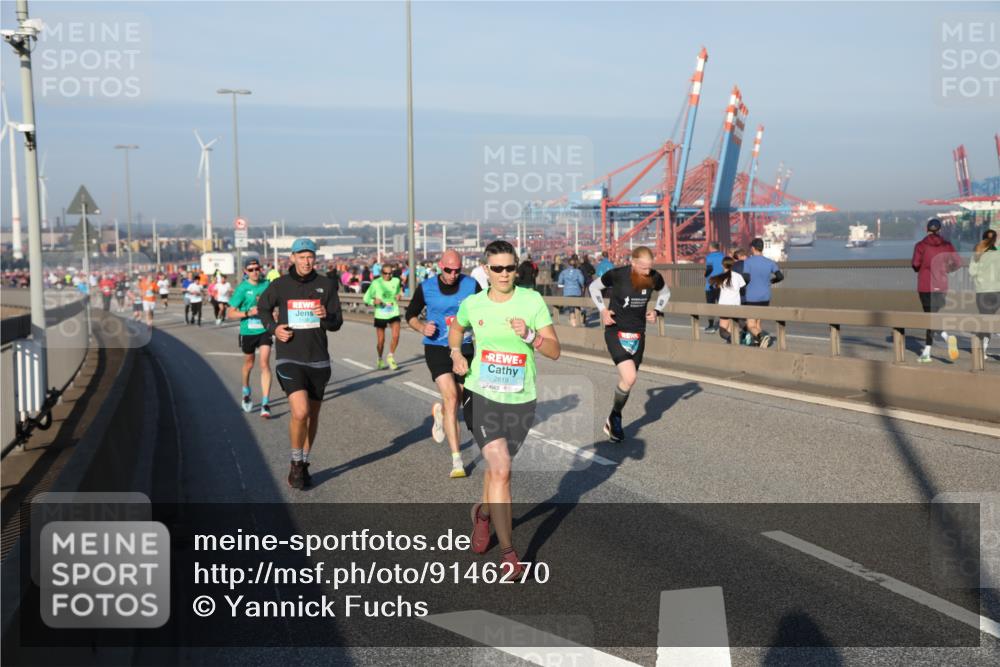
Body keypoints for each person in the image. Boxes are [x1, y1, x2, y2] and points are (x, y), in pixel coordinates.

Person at [451, 240, 560, 578]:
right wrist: (456, 353)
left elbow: (555, 351)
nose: (503, 274)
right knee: (500, 470)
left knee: (498, 470)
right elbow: (456, 329)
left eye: (509, 268)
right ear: (486, 270)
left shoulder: (532, 301)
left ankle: (483, 513)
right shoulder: (473, 304)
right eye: (496, 268)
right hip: (481, 395)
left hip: (520, 399)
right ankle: (510, 555)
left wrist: (531, 336)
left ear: (517, 268)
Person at [257, 238, 344, 490]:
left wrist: (326, 317)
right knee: (301, 412)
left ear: (315, 258)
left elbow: (337, 322)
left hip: (318, 360)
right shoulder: (280, 285)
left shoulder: (326, 285)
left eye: (310, 257)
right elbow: (263, 309)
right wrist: (274, 329)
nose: (306, 261)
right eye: (301, 256)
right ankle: (295, 462)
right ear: (292, 258)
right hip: (289, 357)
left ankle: (304, 462)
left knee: (313, 415)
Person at [405, 249, 480, 478]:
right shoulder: (426, 288)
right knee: (451, 397)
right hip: (436, 347)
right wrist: (421, 327)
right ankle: (457, 460)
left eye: (457, 270)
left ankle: (440, 414)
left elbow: (485, 310)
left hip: (465, 347)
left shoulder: (471, 285)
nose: (453, 274)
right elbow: (410, 315)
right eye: (448, 270)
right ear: (440, 266)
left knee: (458, 398)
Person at [589, 246, 671, 442]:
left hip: (638, 334)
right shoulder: (617, 274)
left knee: (627, 382)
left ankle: (614, 416)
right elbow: (594, 287)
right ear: (633, 262)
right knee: (630, 377)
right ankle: (616, 418)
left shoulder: (654, 277)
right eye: (643, 268)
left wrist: (657, 311)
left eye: (649, 267)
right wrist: (602, 310)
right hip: (615, 330)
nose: (647, 272)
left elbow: (665, 293)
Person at [228, 259, 274, 417]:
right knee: (249, 364)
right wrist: (248, 313)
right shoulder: (242, 289)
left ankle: (265, 403)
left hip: (264, 330)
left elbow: (275, 303)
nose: (255, 272)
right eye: (251, 269)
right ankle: (246, 389)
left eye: (257, 268)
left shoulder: (267, 285)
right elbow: (231, 313)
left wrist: (275, 313)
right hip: (247, 332)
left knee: (264, 363)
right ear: (245, 272)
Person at [913, 218, 963, 363]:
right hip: (941, 286)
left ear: (927, 230)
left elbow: (916, 264)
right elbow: (958, 263)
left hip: (925, 285)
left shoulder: (920, 246)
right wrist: (947, 269)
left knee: (930, 318)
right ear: (940, 230)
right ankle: (940, 342)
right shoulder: (947, 245)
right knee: (934, 317)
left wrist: (921, 267)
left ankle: (931, 350)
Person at [742, 238, 784, 348]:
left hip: (752, 297)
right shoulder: (770, 262)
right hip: (765, 297)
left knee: (750, 324)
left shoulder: (748, 262)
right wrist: (771, 281)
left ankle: (762, 336)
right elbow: (780, 276)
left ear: (753, 248)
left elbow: (746, 278)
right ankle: (758, 342)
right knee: (757, 323)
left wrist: (742, 286)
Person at [363, 263, 403, 370]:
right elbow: (366, 298)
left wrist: (399, 295)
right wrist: (373, 301)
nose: (388, 276)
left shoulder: (396, 281)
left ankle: (390, 356)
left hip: (393, 312)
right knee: (381, 341)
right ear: (381, 273)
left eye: (390, 273)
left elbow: (399, 291)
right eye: (385, 273)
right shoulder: (376, 283)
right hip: (381, 313)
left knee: (396, 336)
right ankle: (380, 358)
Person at [968, 228, 999, 362]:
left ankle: (983, 351)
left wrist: (979, 278)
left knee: (985, 320)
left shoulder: (977, 254)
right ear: (995, 240)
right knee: (992, 321)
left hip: (982, 292)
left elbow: (971, 272)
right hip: (998, 291)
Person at [710, 256, 746, 344]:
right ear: (732, 265)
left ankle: (738, 338)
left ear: (723, 265)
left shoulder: (720, 277)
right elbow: (743, 290)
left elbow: (712, 286)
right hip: (736, 306)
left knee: (722, 332)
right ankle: (733, 342)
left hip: (724, 306)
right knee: (731, 328)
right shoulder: (738, 276)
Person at [703, 242, 725, 333]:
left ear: (711, 248)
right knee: (722, 305)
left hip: (710, 286)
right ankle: (724, 325)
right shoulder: (724, 256)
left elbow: (709, 269)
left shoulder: (709, 257)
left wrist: (705, 275)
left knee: (710, 306)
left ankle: (711, 326)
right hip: (721, 285)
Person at [557, 256, 586, 327]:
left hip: (567, 292)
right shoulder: (578, 271)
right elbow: (582, 281)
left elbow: (560, 282)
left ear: (568, 264)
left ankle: (573, 323)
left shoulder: (563, 272)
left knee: (571, 308)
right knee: (577, 306)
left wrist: (564, 285)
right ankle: (580, 317)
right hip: (577, 291)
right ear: (575, 264)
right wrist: (582, 286)